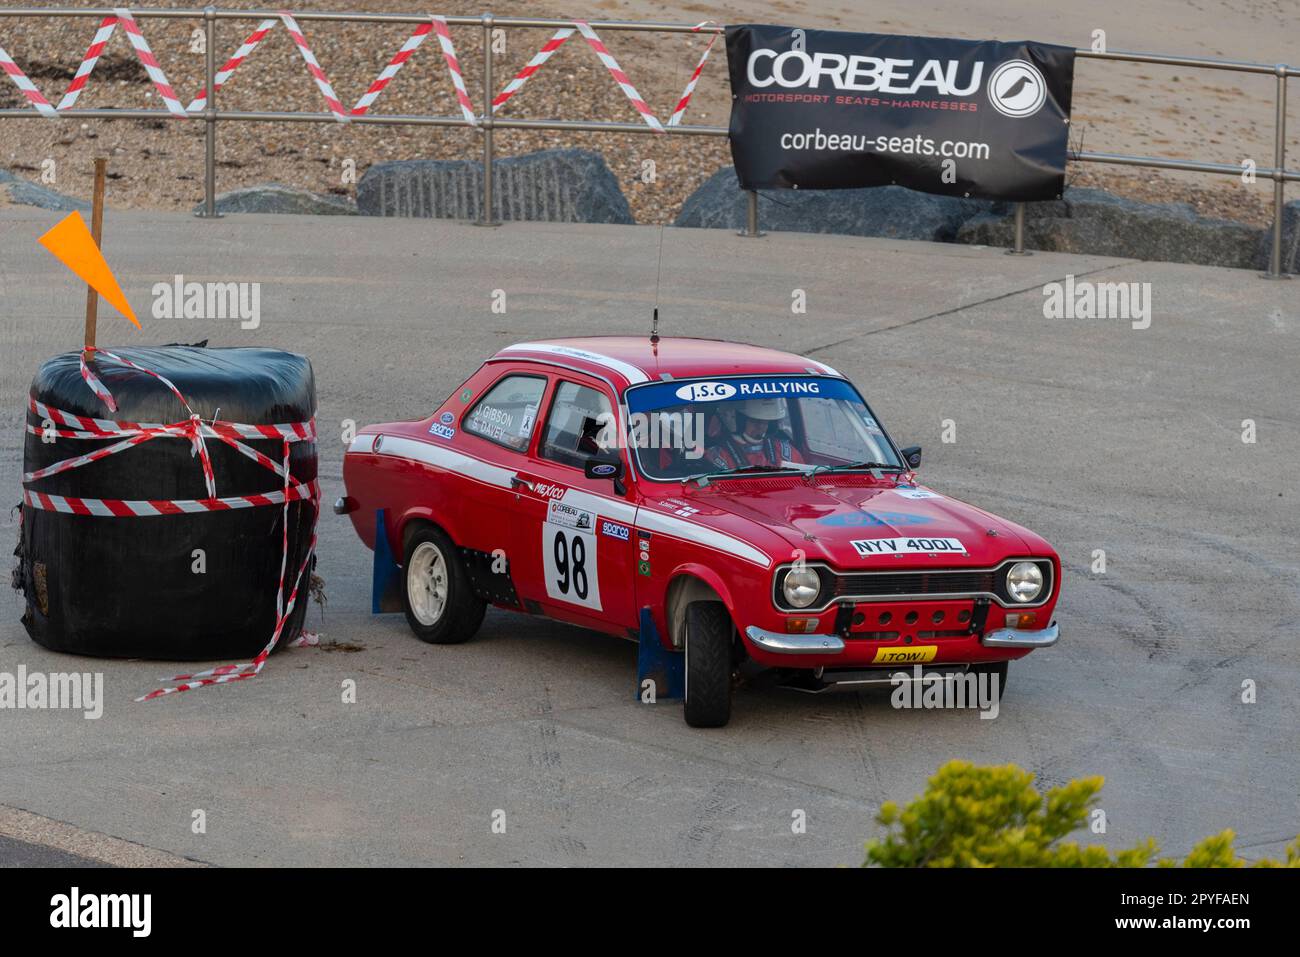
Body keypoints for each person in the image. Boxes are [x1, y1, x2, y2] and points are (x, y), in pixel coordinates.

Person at [705, 398, 803, 470]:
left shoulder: (785, 451)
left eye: (766, 422)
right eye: (755, 421)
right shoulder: (719, 457)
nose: (761, 427)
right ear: (735, 419)